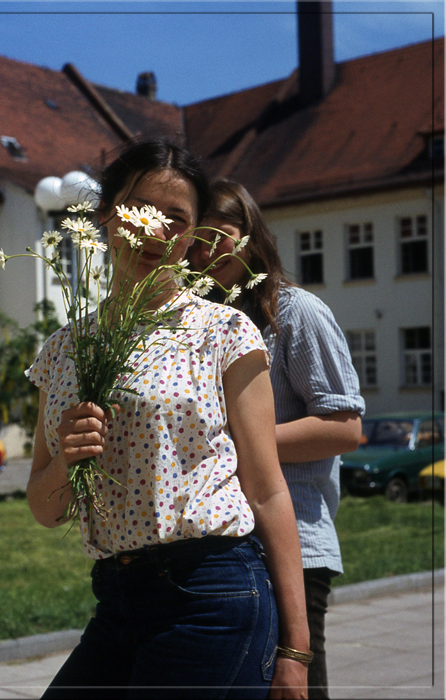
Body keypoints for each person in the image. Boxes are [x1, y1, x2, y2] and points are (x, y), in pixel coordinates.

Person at [25, 138, 311, 700]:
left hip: (213, 593)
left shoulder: (222, 332)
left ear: (195, 233)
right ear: (107, 216)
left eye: (176, 219)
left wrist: (297, 651)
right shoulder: (62, 351)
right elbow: (44, 508)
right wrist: (66, 458)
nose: (155, 231)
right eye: (141, 211)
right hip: (116, 599)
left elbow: (267, 488)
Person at [188, 179, 366, 700]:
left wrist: (241, 439)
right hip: (225, 549)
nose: (207, 250)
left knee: (295, 688)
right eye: (196, 240)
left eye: (220, 234)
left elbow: (345, 427)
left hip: (299, 549)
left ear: (251, 236)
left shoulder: (294, 313)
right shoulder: (201, 326)